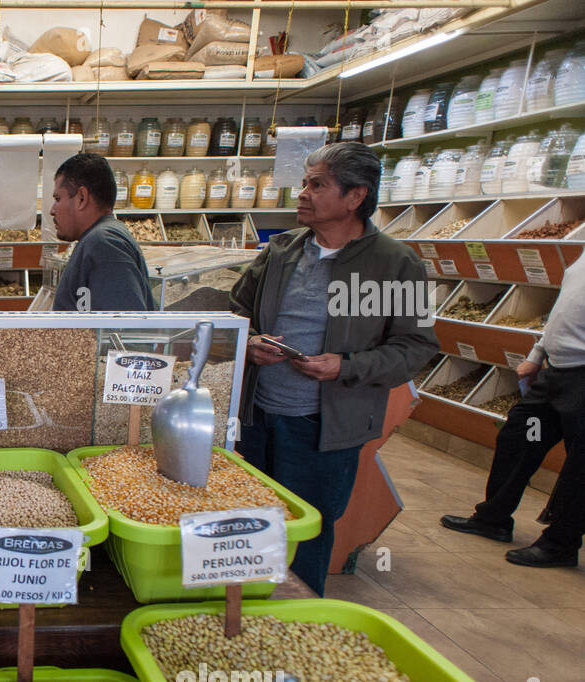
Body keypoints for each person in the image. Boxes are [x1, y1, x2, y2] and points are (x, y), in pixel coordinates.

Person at [230, 141, 438, 596]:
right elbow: (236, 310)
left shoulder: (395, 265)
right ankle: (247, 615)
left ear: (355, 196)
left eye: (317, 185)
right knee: (254, 520)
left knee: (308, 529)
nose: (302, 194)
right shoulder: (282, 250)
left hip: (323, 428)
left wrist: (346, 366)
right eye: (305, 183)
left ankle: (300, 619)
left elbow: (416, 345)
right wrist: (248, 343)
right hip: (259, 417)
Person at [440, 254, 585, 567]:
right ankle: (493, 518)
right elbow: (563, 309)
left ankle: (561, 543)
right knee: (521, 437)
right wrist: (537, 354)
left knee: (579, 466)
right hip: (555, 374)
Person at [49, 153, 154, 312]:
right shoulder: (97, 240)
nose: (52, 210)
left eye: (58, 199)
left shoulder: (104, 245)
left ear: (82, 198)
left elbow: (121, 330)